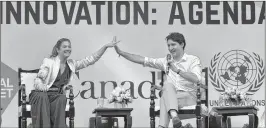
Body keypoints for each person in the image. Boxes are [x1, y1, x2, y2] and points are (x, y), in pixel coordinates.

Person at [113, 32, 203, 128]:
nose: (170, 48)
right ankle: (174, 117)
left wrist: (177, 70)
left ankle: (163, 125)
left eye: (173, 44)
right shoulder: (165, 61)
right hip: (172, 96)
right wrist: (121, 53)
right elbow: (143, 60)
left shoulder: (193, 60)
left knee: (165, 95)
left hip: (189, 96)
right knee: (167, 87)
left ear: (182, 44)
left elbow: (197, 79)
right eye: (168, 45)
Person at [29, 37, 119, 128]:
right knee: (43, 96)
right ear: (57, 49)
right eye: (64, 47)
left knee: (62, 98)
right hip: (41, 95)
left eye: (69, 46)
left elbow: (90, 60)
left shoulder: (71, 64)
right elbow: (38, 79)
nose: (68, 48)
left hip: (55, 96)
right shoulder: (49, 62)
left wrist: (105, 47)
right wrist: (41, 86)